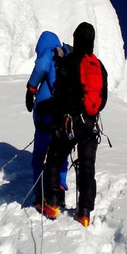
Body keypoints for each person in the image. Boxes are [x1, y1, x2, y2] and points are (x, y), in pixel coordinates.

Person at [42, 22, 108, 227]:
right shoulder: (99, 66)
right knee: (87, 167)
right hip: (91, 124)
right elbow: (103, 99)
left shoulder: (70, 62)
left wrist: (57, 117)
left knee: (55, 157)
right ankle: (84, 212)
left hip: (70, 122)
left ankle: (52, 204)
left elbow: (60, 94)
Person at [25, 31, 69, 209]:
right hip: (65, 115)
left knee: (40, 155)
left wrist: (31, 88)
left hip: (47, 114)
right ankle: (60, 191)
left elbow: (41, 66)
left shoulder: (50, 53)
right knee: (60, 154)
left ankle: (40, 194)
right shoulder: (67, 57)